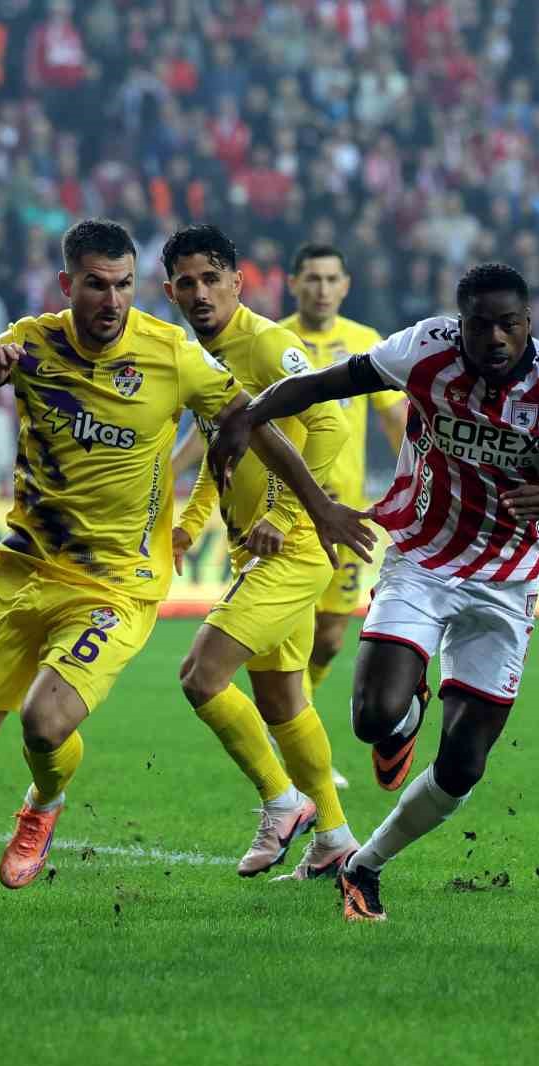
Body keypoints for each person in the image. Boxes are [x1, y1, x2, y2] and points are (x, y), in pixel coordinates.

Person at [0, 219, 371, 930]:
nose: (111, 300)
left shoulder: (173, 353)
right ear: (68, 285)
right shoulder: (30, 340)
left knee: (48, 720)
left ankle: (48, 802)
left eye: (123, 286)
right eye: (95, 285)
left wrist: (314, 506)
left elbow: (254, 421)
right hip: (21, 569)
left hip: (118, 582)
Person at [209, 263, 539, 922]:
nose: (497, 338)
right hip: (422, 558)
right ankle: (406, 710)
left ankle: (366, 866)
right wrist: (247, 418)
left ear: (529, 321)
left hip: (506, 584)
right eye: (482, 325)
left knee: (463, 766)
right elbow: (325, 383)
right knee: (371, 717)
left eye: (510, 324)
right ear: (461, 324)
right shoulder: (425, 349)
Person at [165, 225, 356, 881]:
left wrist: (281, 510)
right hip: (253, 549)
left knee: (200, 676)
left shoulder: (270, 343)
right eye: (186, 283)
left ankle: (283, 804)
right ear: (170, 291)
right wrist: (188, 523)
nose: (199, 293)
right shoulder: (200, 359)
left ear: (237, 282)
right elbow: (218, 453)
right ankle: (335, 837)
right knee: (282, 703)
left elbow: (332, 421)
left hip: (295, 548)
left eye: (211, 278)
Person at [278, 243, 406, 698]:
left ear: (346, 286)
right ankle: (295, 732)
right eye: (312, 278)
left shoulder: (365, 340)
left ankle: (291, 720)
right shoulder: (272, 339)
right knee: (290, 632)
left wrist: (423, 480)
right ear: (293, 283)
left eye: (332, 279)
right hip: (286, 510)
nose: (322, 289)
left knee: (330, 639)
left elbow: (396, 419)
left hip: (346, 513)